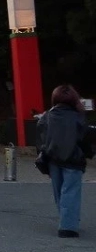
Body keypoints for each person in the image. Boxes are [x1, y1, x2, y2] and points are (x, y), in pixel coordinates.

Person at [37, 85, 90, 238]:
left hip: (53, 159)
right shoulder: (78, 117)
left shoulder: (47, 116)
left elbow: (42, 138)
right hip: (73, 159)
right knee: (70, 191)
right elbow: (84, 139)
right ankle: (68, 226)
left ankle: (67, 220)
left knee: (59, 191)